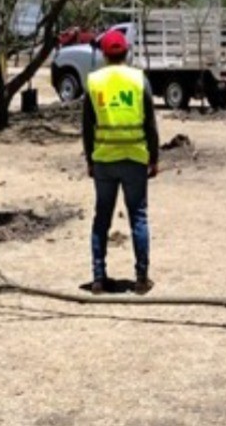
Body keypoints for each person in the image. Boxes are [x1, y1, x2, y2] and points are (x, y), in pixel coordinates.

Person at [83, 30, 160, 295]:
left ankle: (98, 277)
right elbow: (150, 122)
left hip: (104, 159)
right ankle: (141, 278)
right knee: (138, 217)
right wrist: (154, 157)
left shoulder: (94, 81)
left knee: (101, 218)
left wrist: (89, 159)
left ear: (104, 55)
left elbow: (87, 125)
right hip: (135, 159)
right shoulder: (139, 80)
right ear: (127, 52)